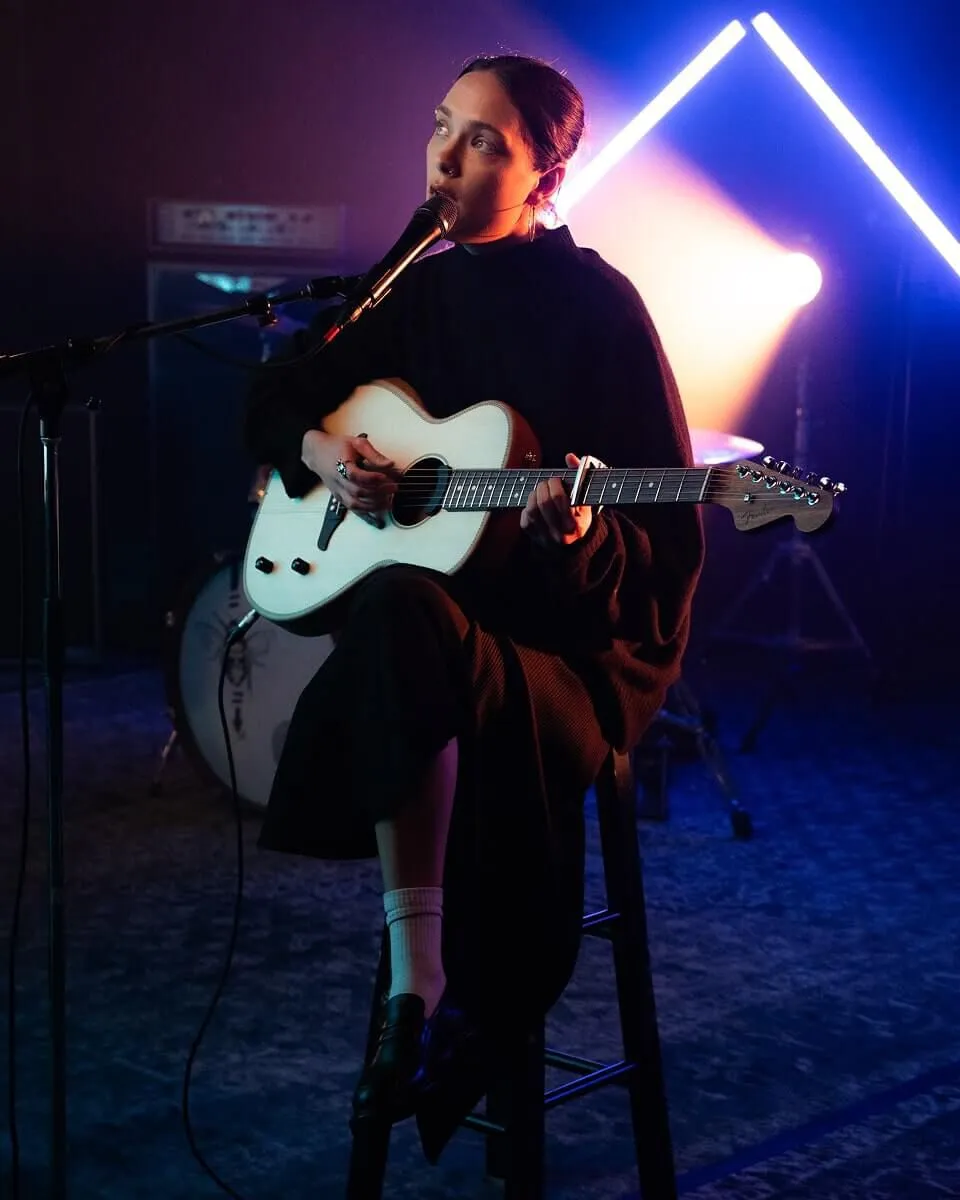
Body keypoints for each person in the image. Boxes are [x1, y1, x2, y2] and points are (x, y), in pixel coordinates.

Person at [243, 52, 704, 1157]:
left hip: (569, 653)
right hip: (437, 631)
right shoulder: (415, 288)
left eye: (484, 140)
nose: (447, 156)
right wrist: (327, 451)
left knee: (405, 620)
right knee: (408, 612)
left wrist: (585, 535)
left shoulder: (597, 306)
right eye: (442, 126)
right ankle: (426, 988)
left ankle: (437, 984)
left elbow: (670, 543)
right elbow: (279, 398)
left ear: (546, 172)